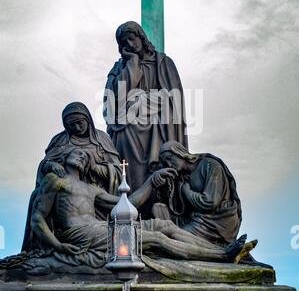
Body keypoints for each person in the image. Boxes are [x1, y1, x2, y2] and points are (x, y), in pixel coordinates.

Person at [18, 148, 252, 275]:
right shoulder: (55, 181)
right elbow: (38, 218)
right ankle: (223, 257)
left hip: (100, 228)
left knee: (165, 225)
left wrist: (152, 180)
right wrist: (58, 246)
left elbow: (128, 202)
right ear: (65, 157)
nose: (82, 156)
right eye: (76, 153)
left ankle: (221, 250)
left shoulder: (90, 189)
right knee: (155, 239)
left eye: (85, 156)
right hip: (79, 234)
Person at [104, 21, 188, 215]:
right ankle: (132, 207)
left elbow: (174, 98)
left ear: (141, 37)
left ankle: (156, 206)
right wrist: (132, 65)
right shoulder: (120, 67)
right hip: (127, 125)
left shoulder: (163, 63)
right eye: (125, 42)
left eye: (132, 38)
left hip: (157, 126)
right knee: (124, 137)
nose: (130, 44)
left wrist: (143, 100)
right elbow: (112, 100)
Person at [22, 102, 122, 252]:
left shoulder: (101, 139)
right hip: (65, 197)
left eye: (79, 123)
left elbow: (117, 170)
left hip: (96, 193)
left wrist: (95, 168)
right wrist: (50, 165)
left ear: (88, 119)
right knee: (39, 196)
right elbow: (45, 163)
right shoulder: (59, 141)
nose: (76, 128)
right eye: (71, 125)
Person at [157, 141, 242, 246]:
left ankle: (223, 253)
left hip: (217, 223)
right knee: (162, 225)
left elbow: (210, 202)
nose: (169, 164)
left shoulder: (210, 165)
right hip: (199, 219)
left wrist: (187, 191)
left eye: (169, 158)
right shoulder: (183, 177)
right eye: (166, 162)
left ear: (179, 152)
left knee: (174, 239)